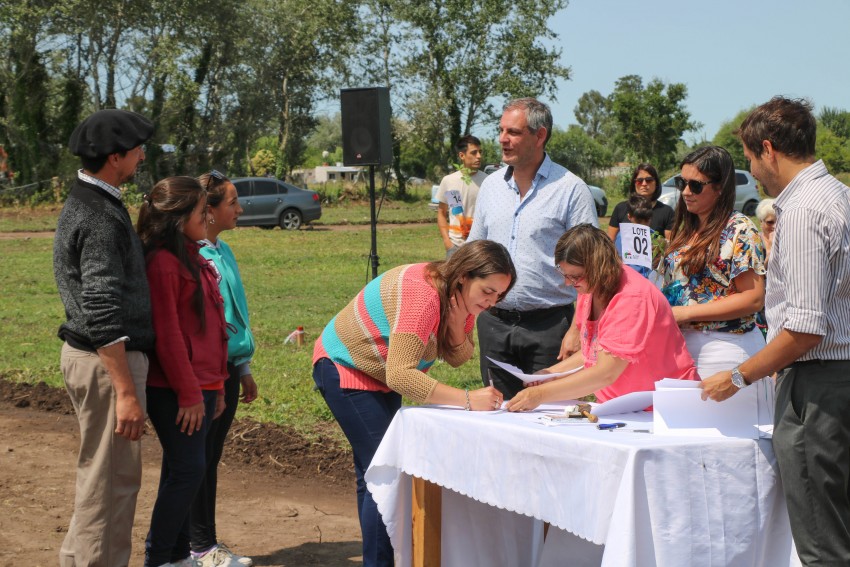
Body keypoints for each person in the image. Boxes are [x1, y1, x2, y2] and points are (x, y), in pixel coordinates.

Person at [701, 97, 850, 566]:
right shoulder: (837, 194)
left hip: (817, 386)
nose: (751, 168)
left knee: (824, 544)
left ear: (768, 149)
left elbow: (805, 328)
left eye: (748, 157)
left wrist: (740, 376)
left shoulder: (804, 210)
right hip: (833, 379)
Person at [312, 240, 515, 566]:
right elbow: (401, 376)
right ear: (464, 276)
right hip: (345, 366)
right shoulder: (422, 295)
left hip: (378, 371)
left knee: (376, 472)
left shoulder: (458, 294)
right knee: (386, 472)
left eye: (499, 296)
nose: (492, 303)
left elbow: (459, 356)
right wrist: (466, 399)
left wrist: (457, 317)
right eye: (488, 292)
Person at [53, 109, 154, 567]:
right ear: (116, 157)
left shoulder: (90, 200)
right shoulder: (99, 216)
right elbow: (100, 308)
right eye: (136, 150)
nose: (141, 156)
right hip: (106, 362)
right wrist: (126, 392)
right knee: (112, 483)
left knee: (99, 476)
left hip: (93, 358)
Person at [467, 97, 598, 399]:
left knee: (550, 419)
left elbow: (593, 267)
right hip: (494, 323)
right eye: (501, 130)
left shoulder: (570, 189)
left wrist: (579, 329)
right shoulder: (490, 186)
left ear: (540, 136)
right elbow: (474, 254)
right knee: (498, 416)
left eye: (513, 132)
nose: (502, 139)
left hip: (551, 327)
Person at [506, 224, 698, 412]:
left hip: (662, 409)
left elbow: (606, 372)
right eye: (564, 274)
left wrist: (540, 394)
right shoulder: (589, 288)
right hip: (622, 406)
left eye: (575, 276)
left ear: (598, 268)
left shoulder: (632, 297)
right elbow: (594, 352)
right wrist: (550, 374)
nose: (567, 282)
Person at [138, 176, 229, 567]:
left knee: (186, 469)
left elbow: (213, 325)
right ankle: (159, 558)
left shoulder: (193, 254)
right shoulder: (163, 263)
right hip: (178, 388)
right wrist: (190, 393)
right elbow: (169, 335)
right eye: (199, 210)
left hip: (205, 382)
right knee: (189, 470)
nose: (206, 215)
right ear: (178, 219)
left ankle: (176, 557)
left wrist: (218, 385)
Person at [190, 171, 258, 567]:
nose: (239, 208)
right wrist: (216, 377)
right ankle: (200, 547)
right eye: (231, 202)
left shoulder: (224, 250)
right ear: (209, 211)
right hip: (206, 372)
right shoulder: (194, 254)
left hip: (229, 369)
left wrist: (243, 367)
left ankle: (199, 544)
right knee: (197, 460)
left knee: (209, 457)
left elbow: (236, 312)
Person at [658, 146, 767, 379]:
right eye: (681, 183)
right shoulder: (686, 230)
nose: (686, 192)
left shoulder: (740, 229)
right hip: (680, 350)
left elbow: (753, 298)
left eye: (695, 185)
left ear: (720, 187)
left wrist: (686, 313)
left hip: (726, 350)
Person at [435, 135, 487, 258]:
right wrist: (447, 243)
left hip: (480, 248)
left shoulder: (488, 181)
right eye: (474, 153)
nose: (479, 156)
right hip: (455, 248)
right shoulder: (450, 181)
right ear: (462, 156)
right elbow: (443, 212)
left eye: (480, 152)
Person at [607, 163, 675, 241]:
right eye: (639, 181)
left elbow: (671, 245)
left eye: (649, 180)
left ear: (656, 183)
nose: (644, 184)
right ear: (634, 184)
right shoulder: (621, 208)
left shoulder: (667, 212)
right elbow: (610, 242)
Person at [613, 194, 655, 279]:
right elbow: (620, 264)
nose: (642, 225)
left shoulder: (654, 235)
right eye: (638, 221)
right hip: (631, 280)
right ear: (629, 217)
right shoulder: (622, 237)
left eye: (646, 220)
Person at [755, 198, 776, 264]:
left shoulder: (787, 238)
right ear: (761, 221)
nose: (775, 226)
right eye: (770, 222)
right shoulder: (754, 243)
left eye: (779, 221)